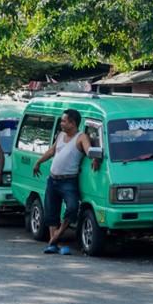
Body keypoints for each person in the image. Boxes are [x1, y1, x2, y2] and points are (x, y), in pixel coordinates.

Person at [33, 109, 98, 255]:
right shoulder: (61, 135)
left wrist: (94, 157)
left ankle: (56, 236)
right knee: (51, 211)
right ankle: (53, 243)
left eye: (63, 121)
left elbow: (89, 150)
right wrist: (38, 161)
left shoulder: (81, 137)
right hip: (53, 179)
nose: (61, 123)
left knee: (72, 207)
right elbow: (52, 151)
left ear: (72, 123)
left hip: (68, 181)